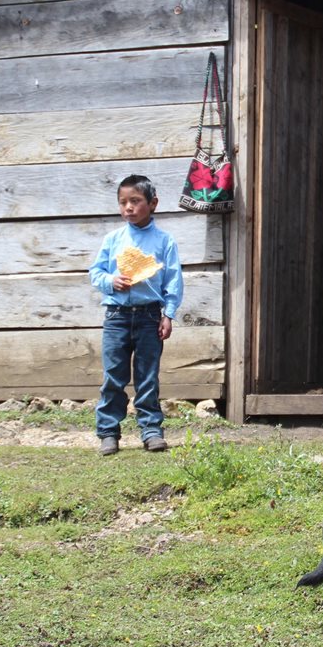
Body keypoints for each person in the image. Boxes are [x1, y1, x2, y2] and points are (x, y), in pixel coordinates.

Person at [88, 175, 183, 455]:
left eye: (135, 201)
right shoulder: (113, 239)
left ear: (152, 203)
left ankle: (151, 430)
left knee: (147, 376)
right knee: (114, 375)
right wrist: (111, 281)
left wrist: (168, 314)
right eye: (123, 202)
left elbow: (173, 280)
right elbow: (96, 272)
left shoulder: (165, 241)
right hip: (116, 316)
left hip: (150, 316)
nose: (128, 207)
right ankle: (108, 432)